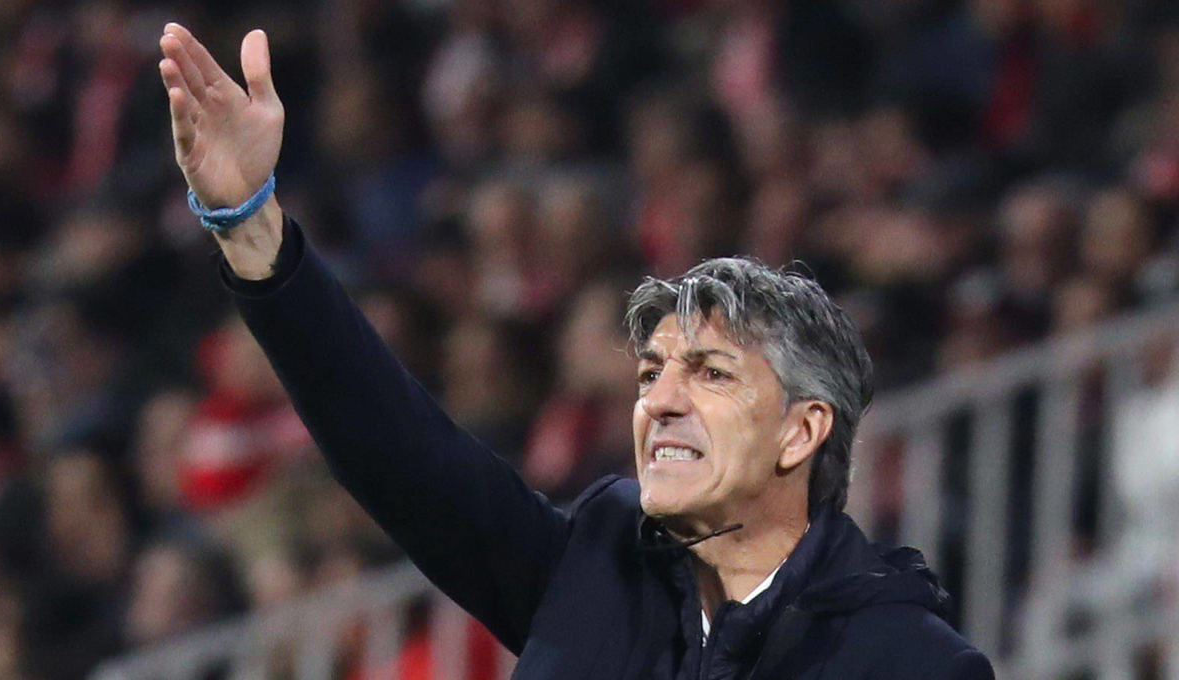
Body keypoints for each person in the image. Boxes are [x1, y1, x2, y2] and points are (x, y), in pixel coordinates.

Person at [158, 23, 995, 679]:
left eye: (710, 373)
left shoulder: (909, 661)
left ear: (801, 430)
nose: (660, 401)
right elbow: (398, 447)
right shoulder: (600, 564)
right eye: (650, 373)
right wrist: (251, 225)